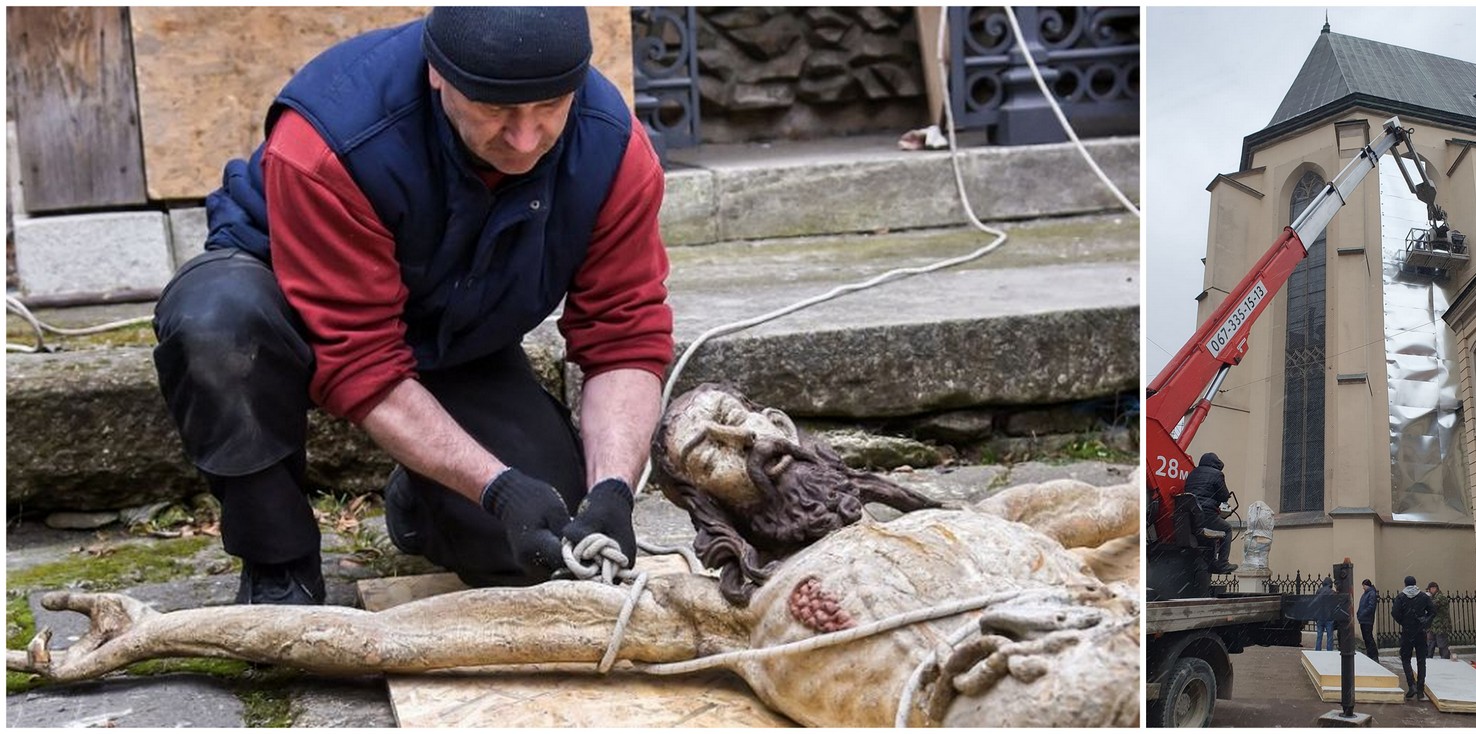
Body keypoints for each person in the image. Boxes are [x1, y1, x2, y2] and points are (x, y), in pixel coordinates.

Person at [6, 385, 1144, 727]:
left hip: (1120, 647)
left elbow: (1126, 502)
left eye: (750, 414)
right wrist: (162, 632)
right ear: (695, 494)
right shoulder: (709, 608)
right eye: (715, 443)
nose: (756, 435)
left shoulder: (992, 505)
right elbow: (394, 635)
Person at [151, 7, 673, 604]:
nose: (525, 139)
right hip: (290, 299)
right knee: (218, 327)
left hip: (454, 327)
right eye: (496, 110)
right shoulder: (330, 143)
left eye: (550, 108)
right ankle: (281, 566)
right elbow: (362, 360)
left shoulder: (614, 151)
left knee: (541, 540)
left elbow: (625, 337)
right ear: (438, 76)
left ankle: (421, 500)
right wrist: (497, 488)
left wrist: (612, 488)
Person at [1182, 452, 1236, 573]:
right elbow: (1223, 496)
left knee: (1211, 535)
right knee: (1226, 529)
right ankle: (1222, 563)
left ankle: (1209, 563)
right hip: (1206, 514)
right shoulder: (1217, 474)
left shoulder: (1192, 474)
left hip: (1191, 517)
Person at [1391, 574, 1435, 700]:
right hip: (1420, 632)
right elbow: (1432, 611)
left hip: (1407, 632)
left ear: (1405, 584)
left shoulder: (1401, 597)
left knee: (1405, 658)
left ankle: (1412, 685)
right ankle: (1420, 690)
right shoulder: (1423, 596)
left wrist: (1404, 622)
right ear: (1415, 584)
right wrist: (1424, 621)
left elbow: (1394, 612)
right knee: (1421, 660)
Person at [1426, 581, 1451, 660]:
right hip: (1433, 625)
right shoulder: (1433, 597)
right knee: (1430, 642)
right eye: (1431, 588)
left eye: (1434, 588)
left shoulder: (1440, 597)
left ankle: (1445, 659)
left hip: (1441, 625)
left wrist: (1427, 598)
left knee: (1442, 643)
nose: (1432, 590)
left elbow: (1433, 605)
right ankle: (1428, 658)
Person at [1357, 578, 1380, 661]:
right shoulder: (1366, 594)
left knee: (1368, 637)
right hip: (1364, 619)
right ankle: (1370, 654)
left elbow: (1371, 607)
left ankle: (1373, 655)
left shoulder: (1371, 594)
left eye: (1363, 586)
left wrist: (1362, 613)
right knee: (1366, 637)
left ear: (1367, 585)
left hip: (1367, 619)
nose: (1363, 587)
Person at [1313, 576, 1335, 651]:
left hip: (1320, 615)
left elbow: (1315, 603)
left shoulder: (1319, 591)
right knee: (1329, 636)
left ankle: (1318, 650)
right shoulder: (1332, 592)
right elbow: (1334, 605)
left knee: (1319, 635)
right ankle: (1329, 651)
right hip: (1329, 616)